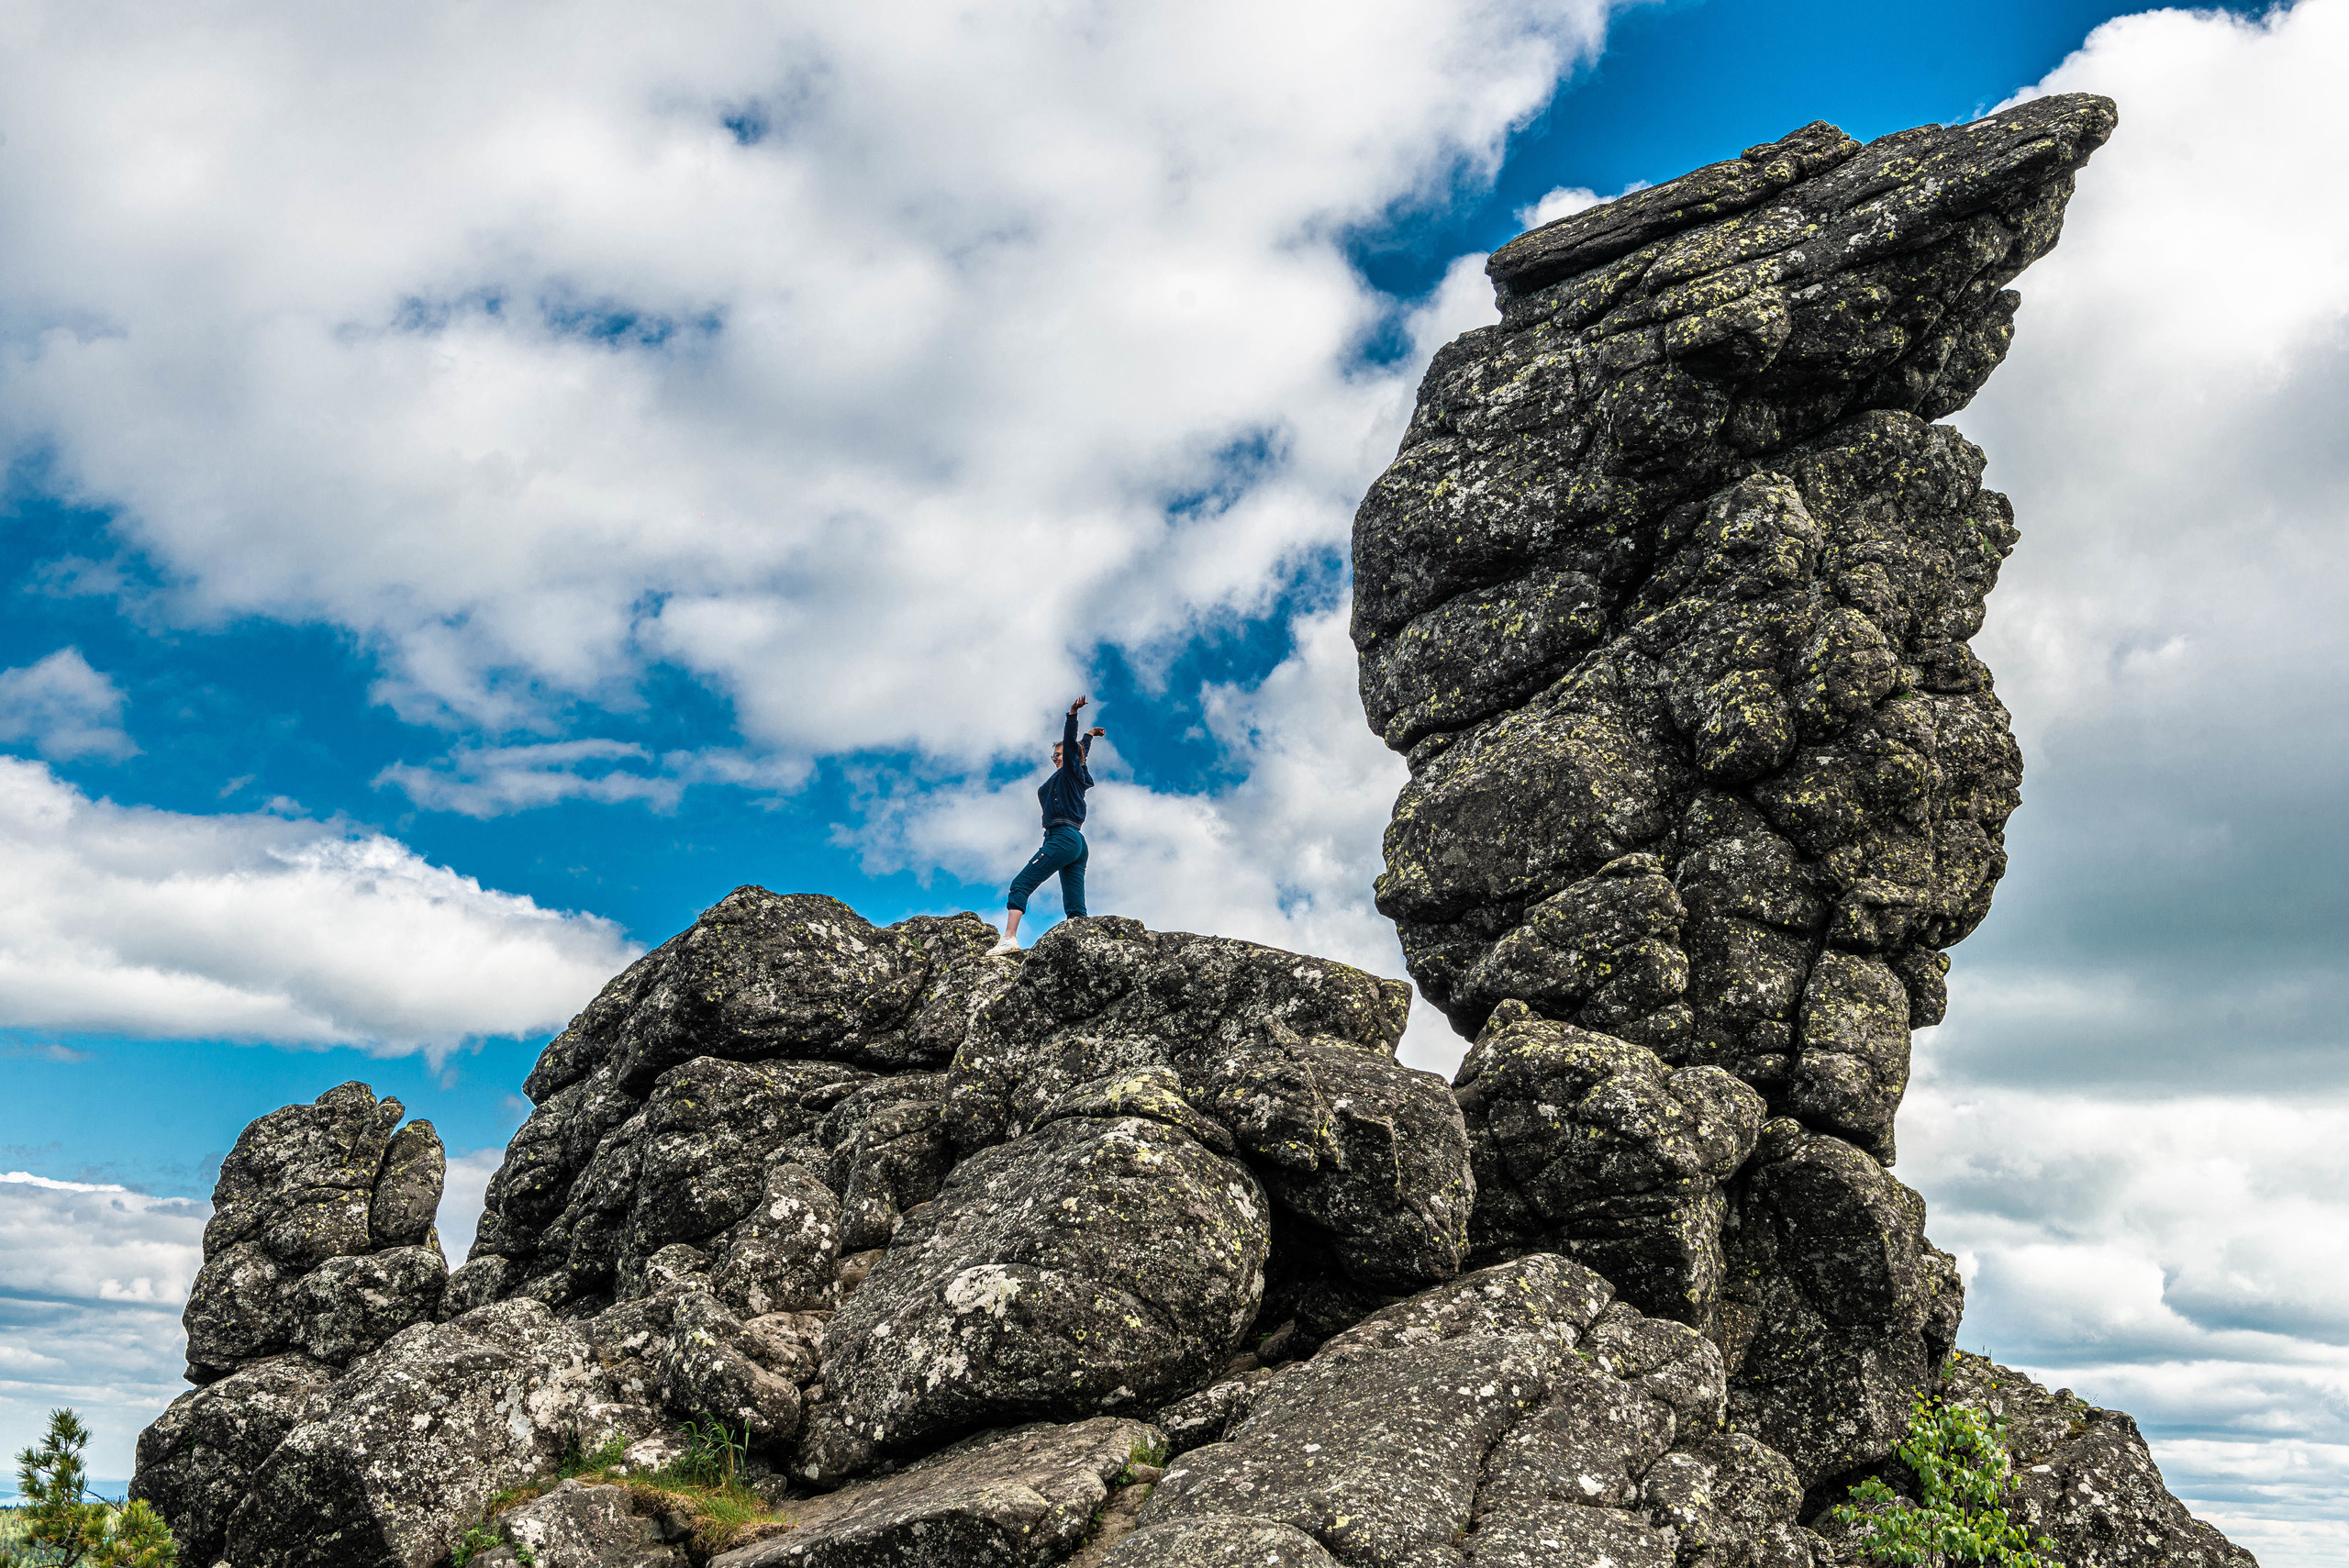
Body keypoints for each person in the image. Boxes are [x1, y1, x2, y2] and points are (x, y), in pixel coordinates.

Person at [990, 695, 1106, 955]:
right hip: (1076, 842)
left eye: (1059, 754)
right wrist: (1088, 736)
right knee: (1075, 905)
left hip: (1063, 837)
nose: (1054, 758)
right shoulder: (1072, 778)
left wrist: (1073, 715)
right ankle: (1085, 948)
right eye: (1052, 755)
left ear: (1071, 756)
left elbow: (1073, 747)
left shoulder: (1071, 774)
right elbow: (1079, 750)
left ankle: (1009, 939)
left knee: (1021, 884)